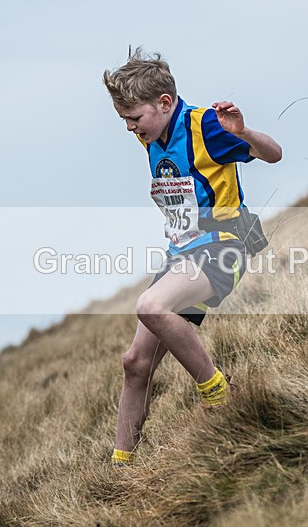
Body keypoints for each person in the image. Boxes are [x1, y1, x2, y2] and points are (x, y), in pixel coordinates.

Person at [103, 48, 282, 465]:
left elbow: (274, 154)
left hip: (224, 248)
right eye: (124, 120)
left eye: (135, 118)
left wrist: (244, 132)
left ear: (165, 103)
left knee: (150, 306)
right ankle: (121, 466)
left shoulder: (205, 127)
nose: (130, 128)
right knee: (134, 362)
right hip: (182, 255)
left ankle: (216, 388)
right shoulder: (153, 135)